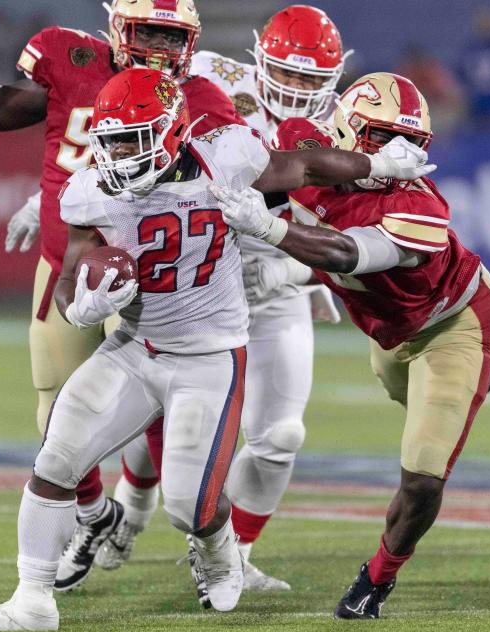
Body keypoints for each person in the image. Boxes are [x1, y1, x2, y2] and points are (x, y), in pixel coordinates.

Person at [0, 67, 436, 632]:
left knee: (189, 505)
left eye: (135, 139)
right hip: (136, 346)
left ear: (173, 131)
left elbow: (304, 164)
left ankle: (217, 546)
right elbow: (69, 274)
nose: (120, 155)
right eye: (110, 142)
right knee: (57, 456)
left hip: (209, 357)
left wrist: (379, 165)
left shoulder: (223, 157)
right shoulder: (91, 187)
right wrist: (81, 306)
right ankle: (31, 600)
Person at [214, 72, 490, 619]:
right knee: (438, 399)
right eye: (382, 137)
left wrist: (273, 241)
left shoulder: (421, 210)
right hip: (389, 331)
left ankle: (375, 581)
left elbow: (346, 252)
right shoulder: (306, 142)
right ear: (343, 128)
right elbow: (274, 183)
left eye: (410, 143)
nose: (397, 153)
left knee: (422, 475)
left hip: (451, 322)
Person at [0, 0, 246, 594]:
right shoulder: (74, 60)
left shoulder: (199, 95)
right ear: (118, 27)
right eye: (147, 32)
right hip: (69, 257)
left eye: (172, 37)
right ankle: (95, 519)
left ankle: (203, 533)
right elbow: (1, 109)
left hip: (149, 267)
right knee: (55, 410)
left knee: (168, 412)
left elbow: (238, 173)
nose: (160, 49)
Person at [96, 3, 350, 594]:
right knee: (158, 400)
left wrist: (294, 277)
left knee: (281, 435)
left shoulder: (345, 128)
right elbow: (123, 135)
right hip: (197, 270)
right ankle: (131, 505)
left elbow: (352, 237)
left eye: (310, 81)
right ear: (258, 57)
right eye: (285, 74)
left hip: (274, 280)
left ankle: (233, 553)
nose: (293, 90)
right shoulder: (207, 77)